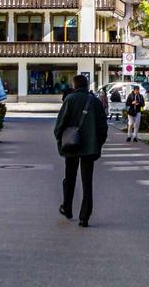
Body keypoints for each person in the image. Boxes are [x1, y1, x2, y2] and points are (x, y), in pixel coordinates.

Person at [54, 73, 108, 227]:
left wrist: (60, 141)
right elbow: (103, 127)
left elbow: (59, 125)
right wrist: (97, 144)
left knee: (69, 179)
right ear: (86, 85)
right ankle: (85, 217)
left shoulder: (70, 100)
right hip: (89, 148)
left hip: (71, 146)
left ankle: (67, 207)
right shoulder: (95, 102)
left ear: (74, 85)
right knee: (87, 182)